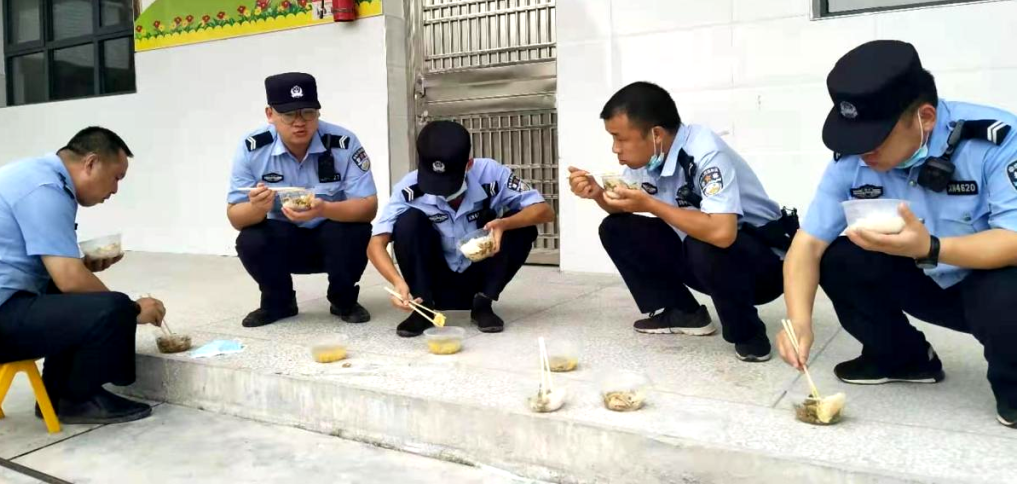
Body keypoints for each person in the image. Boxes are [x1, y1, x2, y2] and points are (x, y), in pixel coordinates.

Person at [778, 40, 1017, 429]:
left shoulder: (996, 141)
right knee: (840, 259)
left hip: (989, 283)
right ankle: (903, 359)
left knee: (1008, 291)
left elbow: (1014, 238)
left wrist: (931, 247)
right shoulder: (853, 159)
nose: (863, 153)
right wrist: (798, 320)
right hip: (926, 280)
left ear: (925, 118)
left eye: (876, 138)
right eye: (854, 139)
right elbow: (808, 244)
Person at [0, 127, 164, 425]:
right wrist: (133, 310)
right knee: (113, 307)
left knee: (78, 296)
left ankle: (58, 394)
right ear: (91, 163)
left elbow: (58, 273)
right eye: (116, 177)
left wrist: (82, 267)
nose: (115, 189)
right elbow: (70, 279)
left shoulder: (33, 177)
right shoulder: (46, 189)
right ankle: (75, 399)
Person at [568, 82, 797, 362]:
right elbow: (622, 206)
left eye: (620, 138)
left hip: (765, 266)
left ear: (656, 134)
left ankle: (747, 333)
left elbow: (722, 232)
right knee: (616, 228)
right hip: (706, 257)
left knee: (705, 241)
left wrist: (651, 204)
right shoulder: (650, 159)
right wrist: (597, 194)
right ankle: (684, 312)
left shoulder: (706, 153)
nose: (616, 149)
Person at [367, 121, 554, 337]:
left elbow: (545, 211)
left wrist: (504, 224)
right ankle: (423, 309)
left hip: (480, 274)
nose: (443, 191)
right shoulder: (407, 189)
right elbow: (375, 244)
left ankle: (483, 304)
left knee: (521, 225)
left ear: (469, 164)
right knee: (408, 222)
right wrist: (397, 282)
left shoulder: (491, 173)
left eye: (449, 182)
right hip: (433, 280)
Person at [228, 72, 377, 328]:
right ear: (270, 114)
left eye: (308, 113)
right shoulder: (252, 148)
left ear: (318, 113)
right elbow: (235, 217)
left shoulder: (343, 143)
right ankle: (278, 302)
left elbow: (368, 207)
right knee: (250, 239)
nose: (299, 123)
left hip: (332, 239)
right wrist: (256, 208)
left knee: (356, 231)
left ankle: (343, 300)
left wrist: (324, 209)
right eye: (288, 115)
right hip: (284, 239)